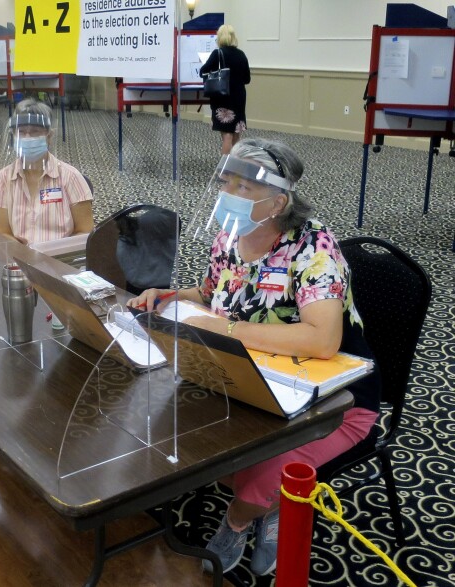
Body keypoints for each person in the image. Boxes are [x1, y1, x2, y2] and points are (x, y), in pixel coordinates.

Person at [127, 138, 381, 577]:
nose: (229, 194)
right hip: (255, 383)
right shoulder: (231, 233)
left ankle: (240, 520)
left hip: (334, 402)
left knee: (260, 472)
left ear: (278, 201)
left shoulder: (314, 245)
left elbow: (322, 340)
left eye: (243, 188)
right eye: (226, 182)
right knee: (190, 438)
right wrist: (169, 296)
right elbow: (210, 295)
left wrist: (227, 329)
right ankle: (271, 507)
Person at [0, 98, 93, 244]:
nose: (27, 138)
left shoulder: (71, 177)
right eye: (22, 132)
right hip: (19, 261)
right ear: (14, 135)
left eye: (35, 132)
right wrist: (26, 257)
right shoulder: (3, 179)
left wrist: (53, 255)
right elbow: (1, 233)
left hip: (62, 261)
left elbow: (85, 232)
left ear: (49, 136)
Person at [200, 24, 251, 155]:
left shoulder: (218, 53)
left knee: (227, 136)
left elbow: (202, 72)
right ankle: (234, 167)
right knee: (236, 135)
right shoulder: (241, 54)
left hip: (223, 99)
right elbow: (247, 79)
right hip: (239, 98)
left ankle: (225, 171)